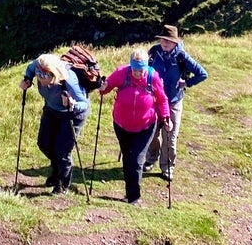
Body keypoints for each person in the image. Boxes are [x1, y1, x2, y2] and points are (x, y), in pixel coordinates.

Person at [99, 47, 170, 205]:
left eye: (141, 69)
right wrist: (103, 87)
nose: (137, 73)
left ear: (146, 66)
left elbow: (162, 99)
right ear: (130, 65)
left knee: (137, 159)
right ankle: (129, 191)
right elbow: (106, 88)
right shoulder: (122, 73)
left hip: (145, 126)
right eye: (135, 69)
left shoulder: (153, 77)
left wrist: (165, 117)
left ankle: (134, 197)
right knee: (127, 157)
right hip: (121, 124)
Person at [145, 24, 208, 182]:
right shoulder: (154, 52)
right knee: (151, 133)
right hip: (154, 101)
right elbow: (144, 70)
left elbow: (202, 73)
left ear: (175, 42)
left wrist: (187, 82)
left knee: (170, 136)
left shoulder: (181, 56)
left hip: (173, 102)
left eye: (168, 41)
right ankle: (151, 159)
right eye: (163, 40)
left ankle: (167, 167)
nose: (165, 43)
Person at [21, 53, 89, 194]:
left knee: (62, 151)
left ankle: (62, 184)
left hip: (72, 115)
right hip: (52, 110)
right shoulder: (39, 64)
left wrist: (73, 104)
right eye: (39, 76)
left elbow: (84, 104)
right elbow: (30, 68)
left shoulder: (69, 80)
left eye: (45, 78)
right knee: (44, 143)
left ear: (54, 74)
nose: (41, 81)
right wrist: (27, 79)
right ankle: (58, 169)